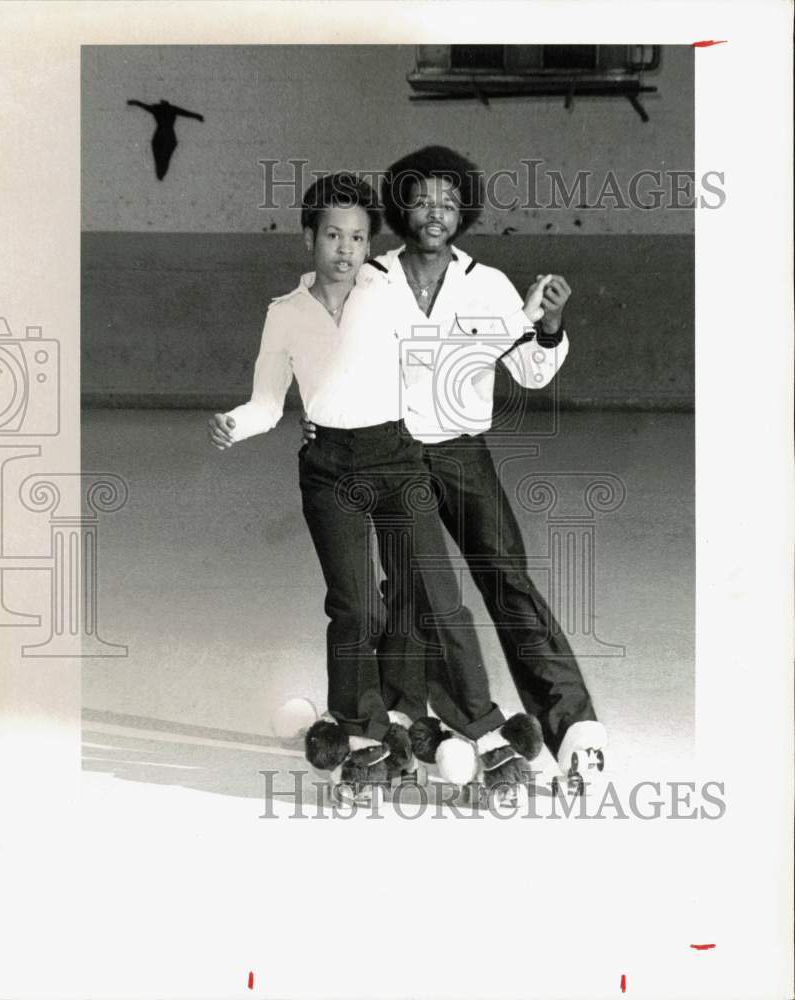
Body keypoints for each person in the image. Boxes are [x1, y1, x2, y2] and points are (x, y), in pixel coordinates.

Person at [208, 173, 541, 804]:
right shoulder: (284, 314)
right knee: (356, 606)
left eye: (358, 236)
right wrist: (234, 424)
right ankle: (365, 736)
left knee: (439, 596)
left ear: (368, 243)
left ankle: (485, 730)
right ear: (310, 237)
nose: (345, 248)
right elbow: (266, 403)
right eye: (333, 234)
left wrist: (520, 322)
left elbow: (444, 352)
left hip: (396, 456)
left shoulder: (385, 295)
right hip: (329, 467)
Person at [305, 147, 607, 788]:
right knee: (413, 594)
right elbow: (325, 350)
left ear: (463, 209)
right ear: (400, 208)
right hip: (389, 452)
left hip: (462, 452)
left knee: (507, 578)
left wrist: (549, 325)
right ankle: (404, 727)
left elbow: (528, 367)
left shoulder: (488, 284)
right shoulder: (370, 277)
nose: (434, 212)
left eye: (448, 201)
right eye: (420, 199)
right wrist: (317, 413)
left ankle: (572, 725)